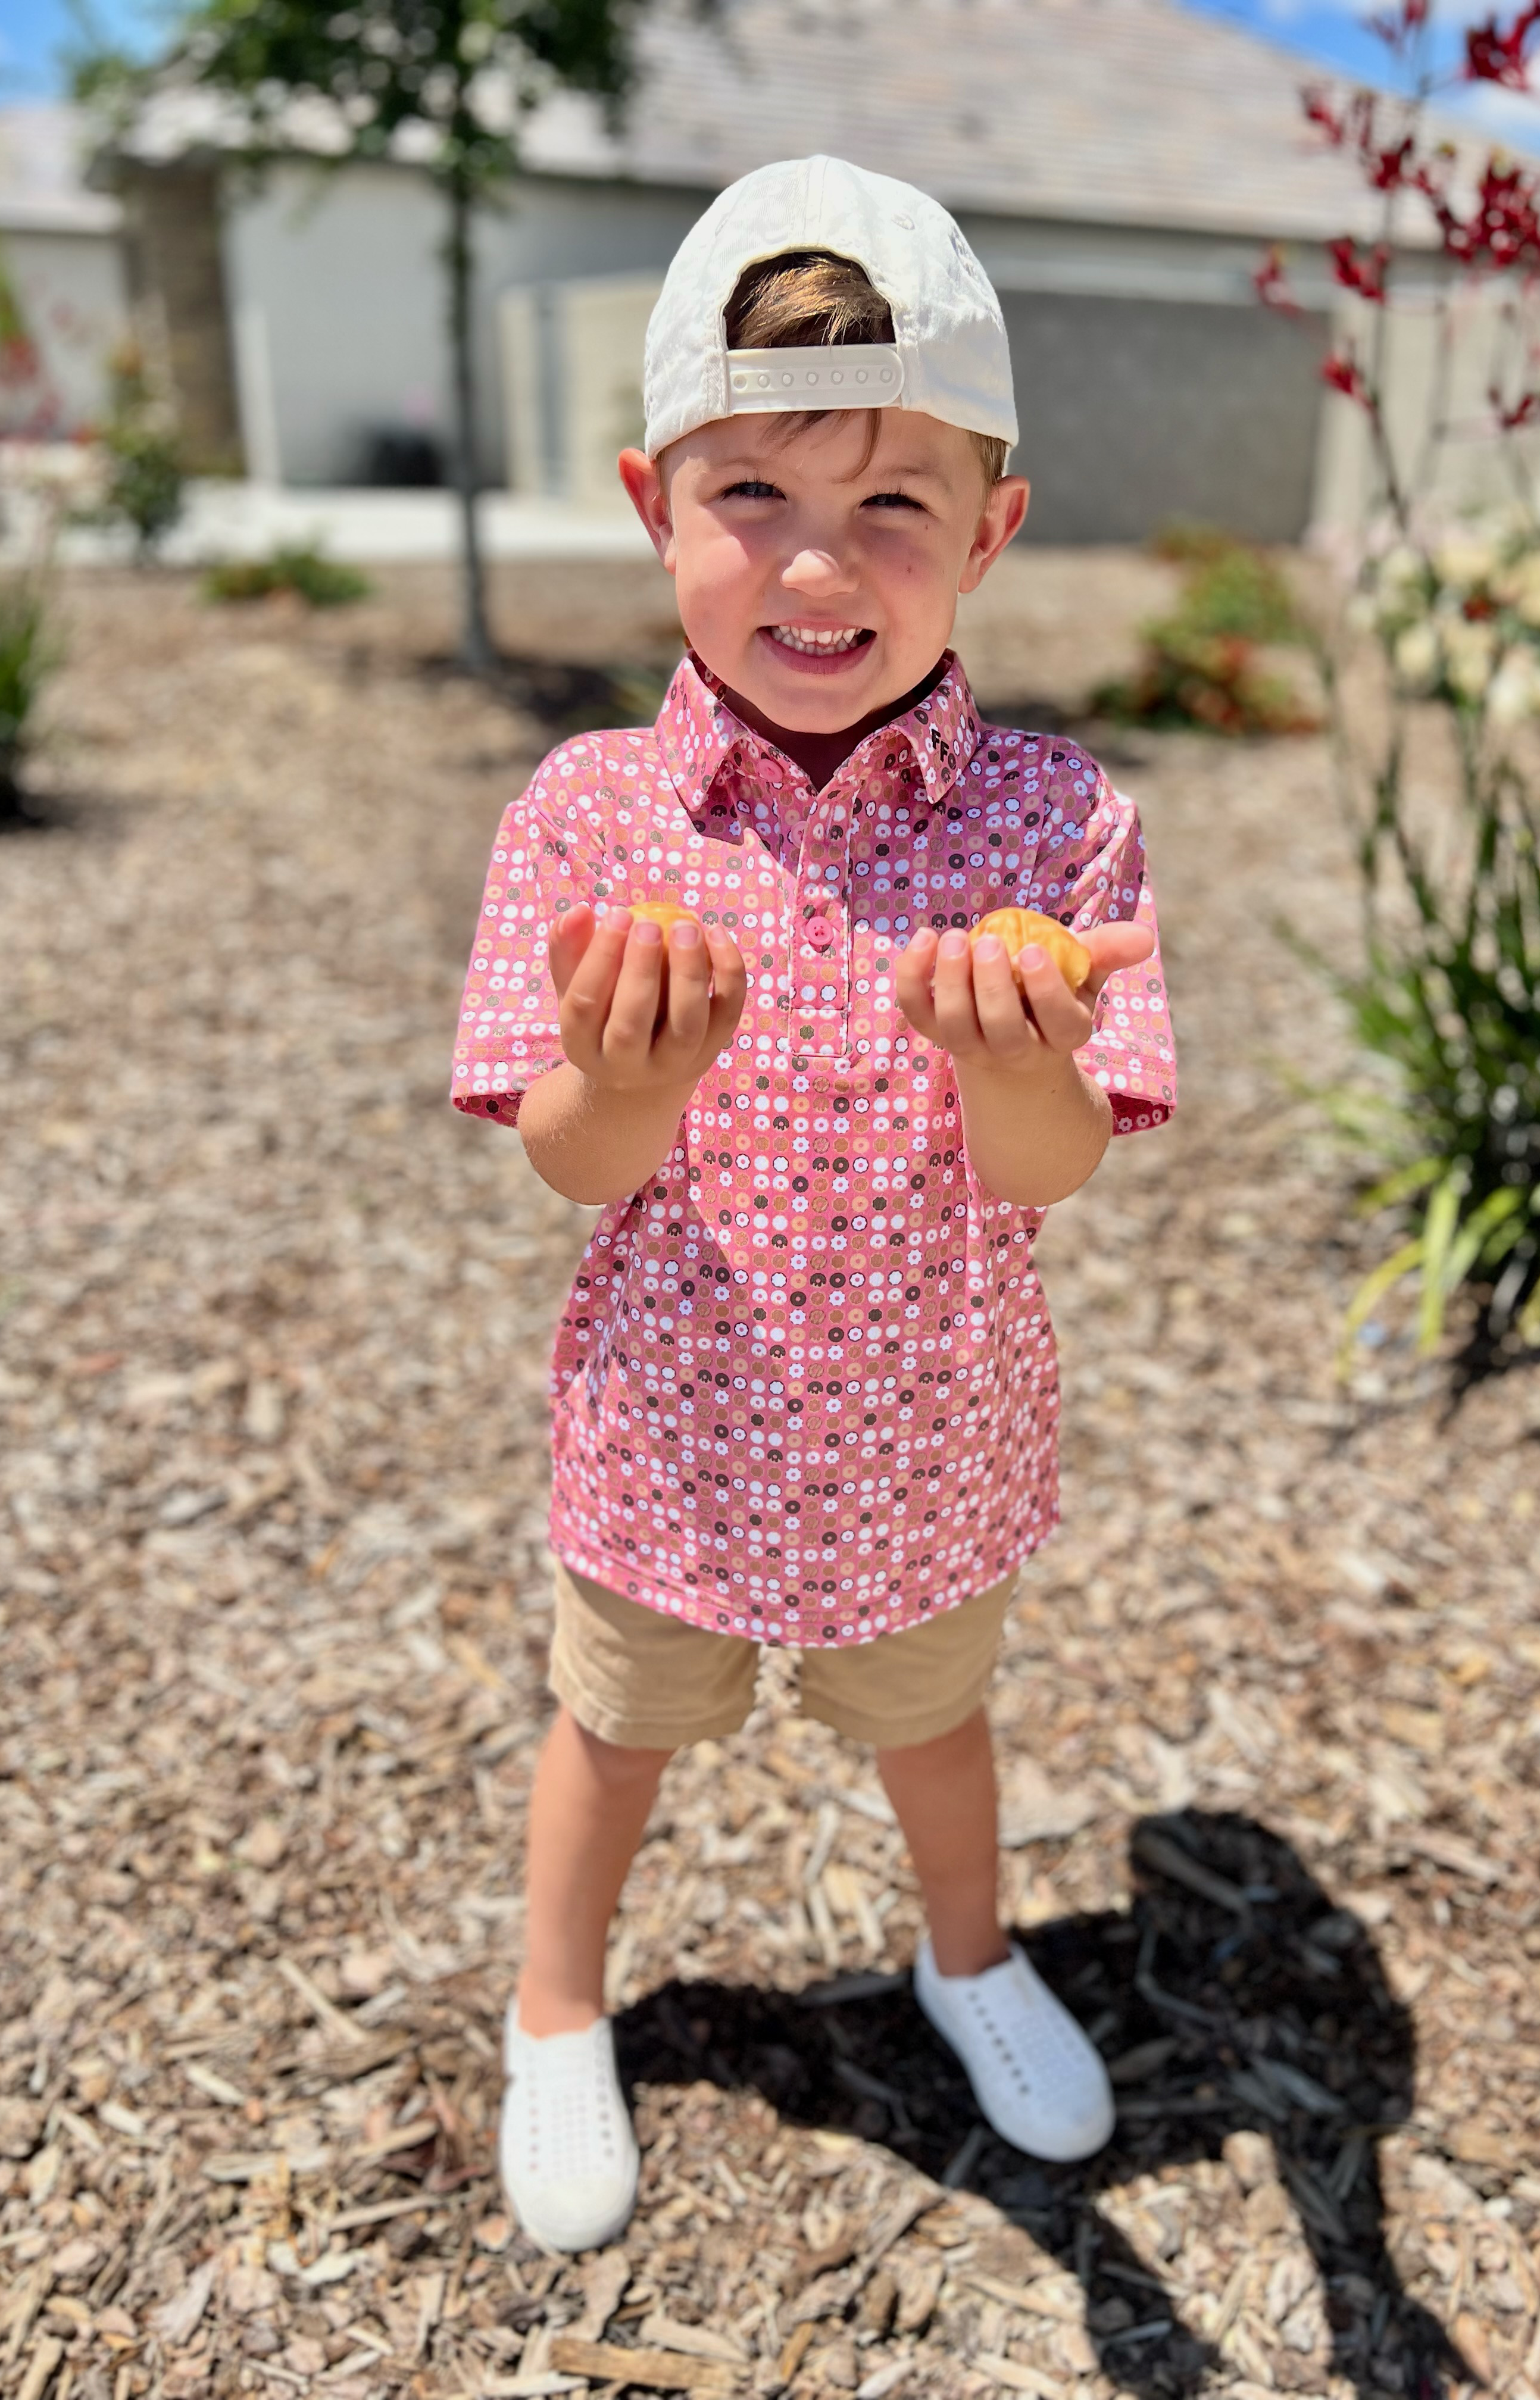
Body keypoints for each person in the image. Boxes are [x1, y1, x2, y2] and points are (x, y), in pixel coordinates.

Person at [451, 154, 1177, 2254]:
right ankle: (556, 2008)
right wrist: (628, 1078)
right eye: (751, 497)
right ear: (651, 500)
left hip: (927, 1437)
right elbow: (558, 1161)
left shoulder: (1058, 823)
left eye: (891, 508)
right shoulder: (588, 813)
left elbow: (1051, 1174)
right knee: (612, 1727)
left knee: (935, 1722)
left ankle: (967, 1960)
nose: (814, 567)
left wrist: (1008, 1060)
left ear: (993, 529)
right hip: (672, 1434)